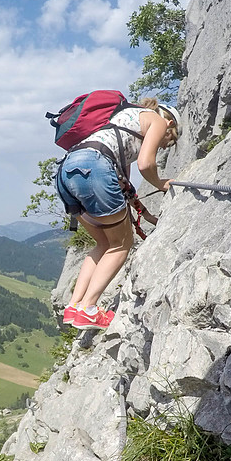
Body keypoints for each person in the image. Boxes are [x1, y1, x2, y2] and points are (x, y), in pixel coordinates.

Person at [56, 98, 181, 330]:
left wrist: (147, 214)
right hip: (94, 168)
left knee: (103, 243)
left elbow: (123, 184)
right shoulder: (156, 120)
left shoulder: (120, 122)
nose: (165, 145)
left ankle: (73, 307)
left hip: (67, 171)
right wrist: (161, 183)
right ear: (170, 122)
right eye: (170, 139)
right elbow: (146, 165)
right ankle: (89, 309)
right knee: (121, 245)